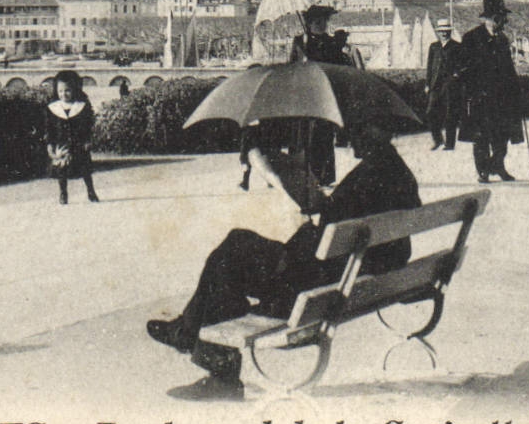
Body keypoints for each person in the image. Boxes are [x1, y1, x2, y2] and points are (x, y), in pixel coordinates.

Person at [145, 122, 420, 401]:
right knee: (237, 248)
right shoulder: (398, 171)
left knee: (231, 253)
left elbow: (328, 221)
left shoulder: (370, 174)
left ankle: (212, 361)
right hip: (349, 276)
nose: (350, 138)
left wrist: (300, 190)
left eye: (359, 131)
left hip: (312, 284)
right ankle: (189, 331)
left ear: (380, 130)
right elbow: (346, 223)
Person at [288, 4, 359, 186]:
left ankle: (324, 176)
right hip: (305, 93)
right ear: (309, 22)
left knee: (323, 134)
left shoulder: (331, 42)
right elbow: (292, 66)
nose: (321, 25)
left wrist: (340, 45)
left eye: (323, 22)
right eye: (317, 22)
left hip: (325, 93)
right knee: (304, 135)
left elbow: (339, 65)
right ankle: (304, 175)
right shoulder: (300, 42)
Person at [459, 0, 523, 183]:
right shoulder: (471, 38)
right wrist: (472, 92)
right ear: (492, 18)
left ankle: (498, 165)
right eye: (501, 18)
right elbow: (464, 68)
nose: (504, 21)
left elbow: (508, 67)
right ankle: (483, 171)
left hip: (502, 97)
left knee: (502, 136)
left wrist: (516, 88)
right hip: (480, 97)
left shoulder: (502, 39)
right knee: (481, 137)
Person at [45, 71, 100, 204]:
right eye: (60, 91)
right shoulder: (53, 108)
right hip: (62, 144)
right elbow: (49, 128)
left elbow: (88, 125)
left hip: (79, 143)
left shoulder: (82, 106)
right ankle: (63, 193)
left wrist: (88, 139)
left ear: (75, 89)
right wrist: (50, 144)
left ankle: (91, 191)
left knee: (85, 169)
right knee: (62, 171)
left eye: (67, 90)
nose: (64, 94)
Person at [424, 18, 464, 152]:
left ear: (449, 32)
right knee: (430, 113)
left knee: (449, 114)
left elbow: (463, 65)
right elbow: (429, 66)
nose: (443, 34)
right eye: (441, 31)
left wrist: (456, 75)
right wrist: (427, 84)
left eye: (446, 31)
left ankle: (450, 144)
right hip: (435, 84)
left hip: (450, 85)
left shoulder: (456, 46)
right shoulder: (434, 47)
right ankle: (438, 140)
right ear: (438, 32)